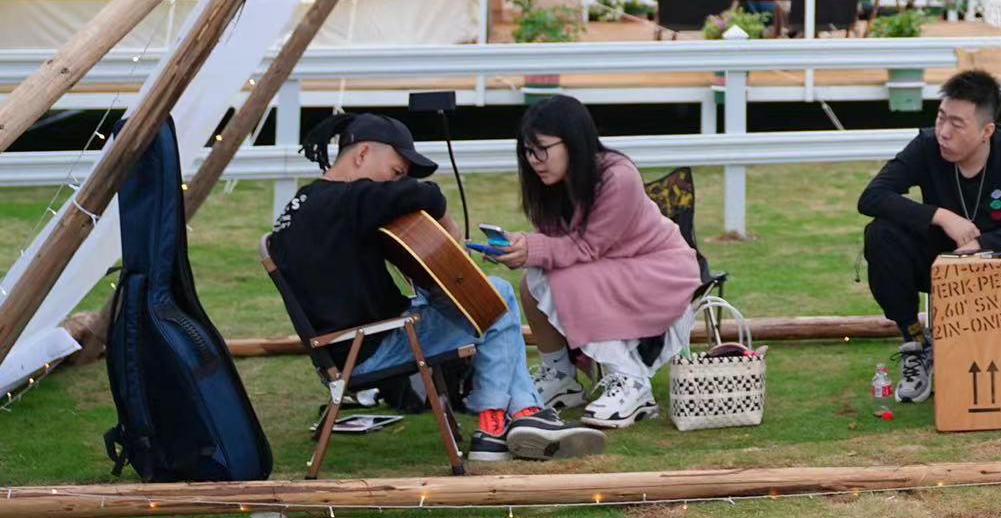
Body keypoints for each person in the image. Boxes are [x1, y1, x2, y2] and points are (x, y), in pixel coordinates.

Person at [267, 114, 601, 463]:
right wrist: (451, 234)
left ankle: (525, 413)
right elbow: (425, 194)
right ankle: (495, 426)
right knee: (495, 296)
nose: (396, 181)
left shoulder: (303, 205)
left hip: (339, 352)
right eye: (396, 171)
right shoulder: (352, 199)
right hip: (375, 345)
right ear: (362, 154)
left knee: (477, 301)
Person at [856, 71, 1001, 404]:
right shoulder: (927, 145)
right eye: (941, 117)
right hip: (941, 260)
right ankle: (917, 344)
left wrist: (984, 244)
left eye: (957, 124)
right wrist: (941, 216)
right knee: (880, 233)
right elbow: (871, 197)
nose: (944, 132)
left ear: (987, 131)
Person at [495, 96, 700, 429]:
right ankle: (560, 376)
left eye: (542, 149)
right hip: (611, 266)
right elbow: (561, 246)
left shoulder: (618, 176)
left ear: (573, 140)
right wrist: (520, 247)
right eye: (528, 151)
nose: (534, 161)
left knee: (563, 281)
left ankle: (632, 380)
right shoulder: (554, 184)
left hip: (661, 269)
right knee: (533, 280)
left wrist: (531, 247)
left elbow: (587, 247)